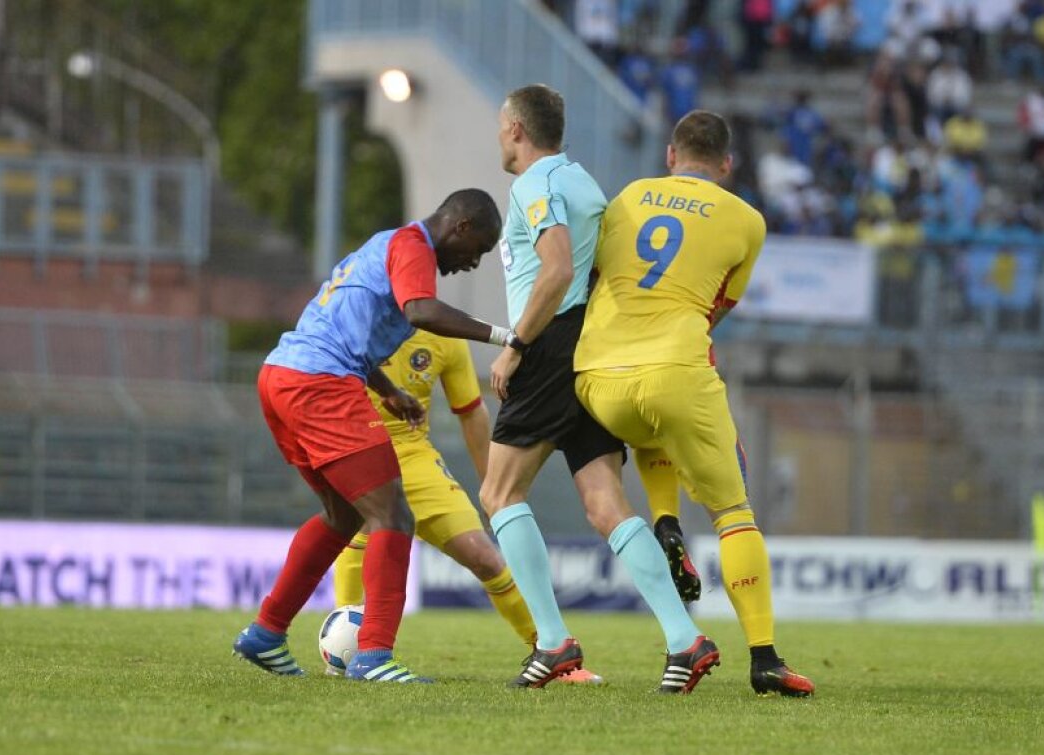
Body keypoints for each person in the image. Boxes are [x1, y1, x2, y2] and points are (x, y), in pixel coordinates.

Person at [483, 84, 718, 693]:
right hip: (593, 349)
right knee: (604, 502)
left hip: (551, 346)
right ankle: (683, 639)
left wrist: (515, 347)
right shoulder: (587, 183)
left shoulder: (534, 186)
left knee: (499, 492)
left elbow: (558, 267)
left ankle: (554, 641)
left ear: (515, 129)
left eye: (499, 127)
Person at [574, 109, 814, 697]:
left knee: (651, 429)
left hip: (595, 377)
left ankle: (664, 521)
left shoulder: (630, 196)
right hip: (674, 371)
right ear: (727, 165)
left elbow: (596, 274)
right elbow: (718, 307)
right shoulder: (746, 220)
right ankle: (765, 659)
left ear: (670, 156)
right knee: (734, 514)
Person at [232, 189, 516, 682]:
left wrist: (386, 391)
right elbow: (422, 313)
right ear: (461, 227)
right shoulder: (414, 247)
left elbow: (348, 331)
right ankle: (374, 656)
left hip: (282, 375)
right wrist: (507, 337)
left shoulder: (385, 246)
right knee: (394, 516)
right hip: (318, 382)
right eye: (479, 250)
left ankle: (266, 633)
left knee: (342, 515)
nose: (473, 263)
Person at [330, 329, 600, 683]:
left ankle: (551, 652)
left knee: (485, 558)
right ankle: (342, 652)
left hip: (416, 456)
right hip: (360, 445)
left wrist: (493, 486)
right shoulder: (361, 315)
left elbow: (471, 413)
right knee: (363, 530)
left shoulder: (442, 335)